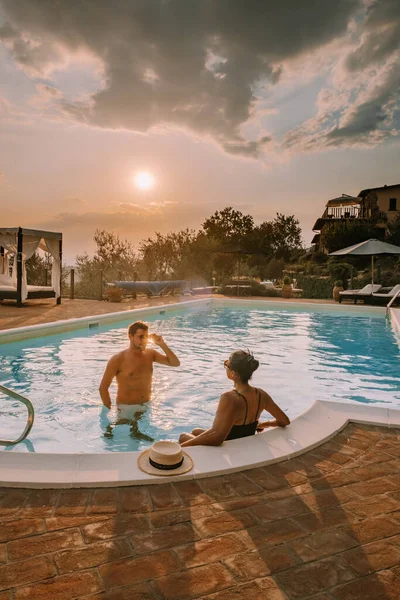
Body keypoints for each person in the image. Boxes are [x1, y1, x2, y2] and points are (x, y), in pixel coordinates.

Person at [179, 349, 289, 447]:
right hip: (243, 440)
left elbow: (217, 438)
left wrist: (182, 447)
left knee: (183, 436)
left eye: (227, 365)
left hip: (229, 447)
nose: (225, 367)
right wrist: (264, 424)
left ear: (234, 374)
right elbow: (284, 420)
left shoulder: (230, 398)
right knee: (195, 431)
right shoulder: (261, 394)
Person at [99, 320, 180, 440]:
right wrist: (108, 409)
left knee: (142, 436)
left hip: (146, 405)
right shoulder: (118, 359)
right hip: (126, 407)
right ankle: (112, 427)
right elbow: (103, 388)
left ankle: (135, 429)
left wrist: (162, 344)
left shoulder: (150, 354)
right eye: (140, 337)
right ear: (130, 336)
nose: (144, 340)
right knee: (123, 439)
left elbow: (175, 363)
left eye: (146, 337)